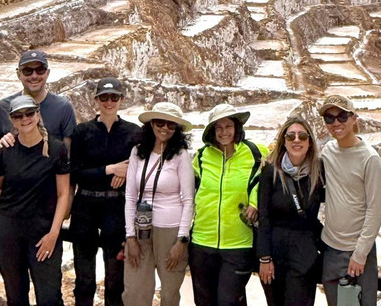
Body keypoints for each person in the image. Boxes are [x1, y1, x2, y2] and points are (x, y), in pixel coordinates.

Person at [0, 94, 72, 306]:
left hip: (44, 230)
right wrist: (21, 200)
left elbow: (64, 194)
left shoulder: (56, 149)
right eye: (18, 116)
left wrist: (54, 233)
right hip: (9, 230)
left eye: (29, 113)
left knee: (49, 295)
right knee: (16, 295)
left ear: (37, 115)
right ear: (12, 120)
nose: (24, 118)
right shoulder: (6, 149)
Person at [70, 77, 142, 306]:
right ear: (96, 100)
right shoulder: (82, 131)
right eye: (104, 97)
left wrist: (128, 169)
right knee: (84, 276)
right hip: (85, 207)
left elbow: (144, 164)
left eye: (114, 97)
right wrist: (110, 169)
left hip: (117, 207)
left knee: (115, 277)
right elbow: (76, 172)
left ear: (121, 99)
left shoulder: (134, 132)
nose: (109, 102)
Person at [190, 102, 268, 306]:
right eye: (218, 127)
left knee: (229, 300)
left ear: (237, 128)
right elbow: (189, 189)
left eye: (228, 126)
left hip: (239, 243)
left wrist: (254, 203)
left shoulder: (254, 152)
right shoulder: (201, 156)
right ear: (212, 131)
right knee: (204, 301)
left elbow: (264, 181)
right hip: (201, 241)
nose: (224, 132)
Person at [122, 101, 195, 306]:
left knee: (169, 293)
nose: (165, 128)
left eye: (171, 125)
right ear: (151, 124)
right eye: (160, 122)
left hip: (170, 229)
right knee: (135, 291)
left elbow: (188, 200)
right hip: (140, 228)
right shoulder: (138, 152)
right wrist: (130, 237)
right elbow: (130, 196)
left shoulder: (181, 156)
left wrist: (181, 241)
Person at [317, 94, 381, 306]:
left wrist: (360, 253)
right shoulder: (327, 152)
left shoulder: (370, 158)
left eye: (342, 116)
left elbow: (375, 210)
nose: (336, 123)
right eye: (329, 118)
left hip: (357, 250)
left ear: (354, 118)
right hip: (331, 247)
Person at [257, 116, 324, 306]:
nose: (296, 140)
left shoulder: (318, 172)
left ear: (310, 142)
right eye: (291, 136)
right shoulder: (271, 171)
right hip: (274, 254)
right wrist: (264, 258)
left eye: (302, 136)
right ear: (283, 141)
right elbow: (264, 216)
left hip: (304, 254)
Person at [0, 50, 76, 153]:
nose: (34, 76)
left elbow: (70, 150)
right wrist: (1, 144)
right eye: (27, 71)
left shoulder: (63, 107)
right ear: (18, 74)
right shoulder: (4, 106)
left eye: (40, 70)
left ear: (47, 73)